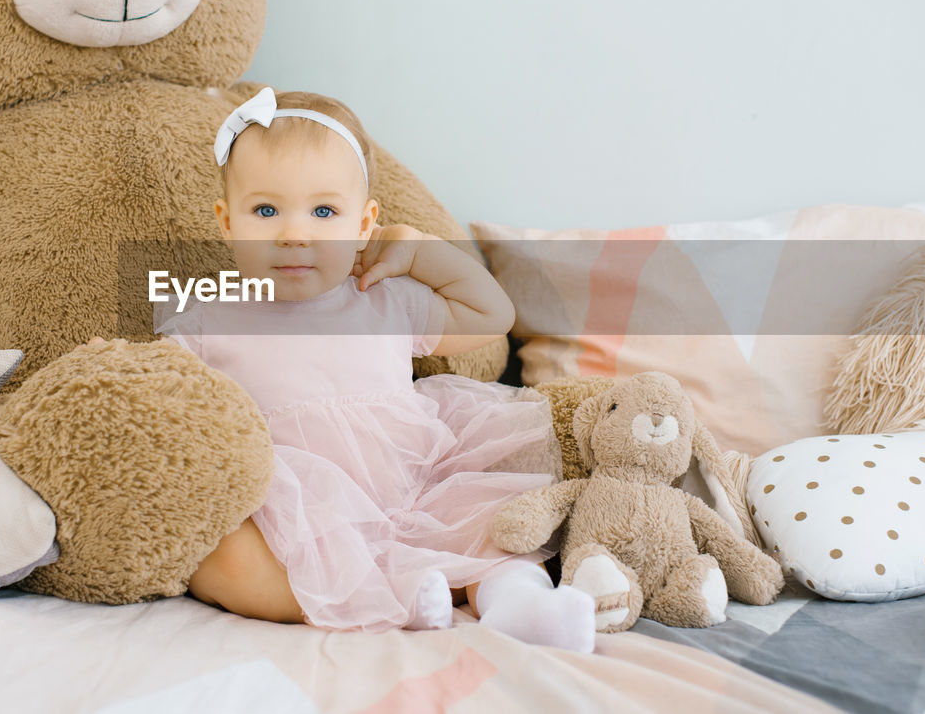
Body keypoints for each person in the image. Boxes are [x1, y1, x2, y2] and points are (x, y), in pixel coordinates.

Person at [124, 87, 594, 649]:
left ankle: (519, 603)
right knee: (218, 554)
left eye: (324, 211)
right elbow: (166, 394)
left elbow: (493, 314)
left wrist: (418, 252)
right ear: (226, 221)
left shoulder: (383, 298)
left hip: (414, 483)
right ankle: (368, 600)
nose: (294, 232)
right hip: (291, 510)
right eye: (266, 210)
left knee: (490, 528)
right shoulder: (209, 310)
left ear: (365, 224)